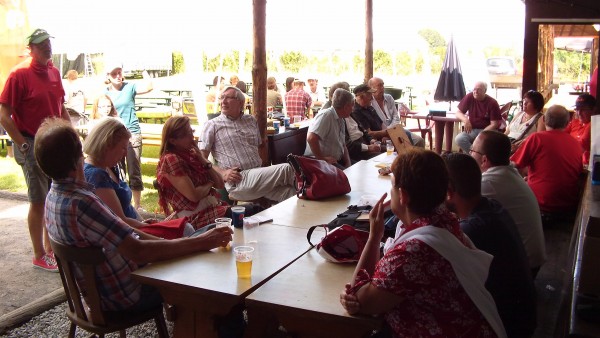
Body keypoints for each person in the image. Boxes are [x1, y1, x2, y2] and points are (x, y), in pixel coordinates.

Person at [36, 118, 233, 313]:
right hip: (127, 295)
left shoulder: (54, 196)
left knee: (200, 237)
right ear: (76, 159)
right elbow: (138, 250)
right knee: (206, 277)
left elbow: (126, 233)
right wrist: (199, 243)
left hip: (98, 294)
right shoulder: (82, 203)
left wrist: (189, 240)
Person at [340, 148, 506, 338]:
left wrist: (374, 236)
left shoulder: (414, 252)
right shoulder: (444, 219)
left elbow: (362, 302)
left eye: (392, 186)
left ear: (403, 195)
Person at [0, 28, 72, 272]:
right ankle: (39, 254)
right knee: (39, 199)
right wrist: (21, 143)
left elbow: (60, 107)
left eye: (49, 42)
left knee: (55, 195)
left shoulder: (53, 71)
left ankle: (52, 249)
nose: (47, 47)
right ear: (30, 48)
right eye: (41, 44)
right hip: (30, 141)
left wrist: (70, 133)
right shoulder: (18, 75)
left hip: (53, 142)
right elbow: (4, 114)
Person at [444, 153, 537, 337]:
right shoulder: (492, 206)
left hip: (508, 327)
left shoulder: (472, 230)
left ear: (448, 193)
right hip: (524, 315)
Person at [82, 117, 193, 236]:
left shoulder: (108, 167)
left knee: (187, 226)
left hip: (135, 226)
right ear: (107, 145)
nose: (125, 153)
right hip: (130, 235)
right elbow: (120, 222)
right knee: (186, 229)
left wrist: (144, 222)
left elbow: (127, 208)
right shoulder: (96, 176)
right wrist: (150, 227)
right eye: (123, 148)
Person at [200, 86, 296, 203]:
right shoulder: (212, 125)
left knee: (292, 194)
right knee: (286, 169)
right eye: (222, 98)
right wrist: (222, 173)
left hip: (258, 176)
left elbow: (257, 148)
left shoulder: (250, 120)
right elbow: (201, 158)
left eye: (228, 98)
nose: (223, 101)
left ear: (241, 102)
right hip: (239, 180)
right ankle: (316, 186)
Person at [471, 130, 546, 277]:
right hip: (530, 261)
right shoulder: (507, 171)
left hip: (521, 270)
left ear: (484, 160)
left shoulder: (489, 183)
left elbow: (455, 207)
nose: (470, 154)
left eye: (472, 150)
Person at [157, 116, 247, 230]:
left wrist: (202, 159)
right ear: (172, 140)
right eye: (186, 134)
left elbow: (219, 184)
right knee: (252, 212)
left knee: (253, 212)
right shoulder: (171, 159)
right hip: (195, 217)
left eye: (191, 131)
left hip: (212, 208)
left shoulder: (192, 156)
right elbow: (194, 196)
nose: (192, 137)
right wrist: (210, 183)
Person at [511, 105, 583, 219]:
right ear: (567, 122)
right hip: (569, 206)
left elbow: (514, 165)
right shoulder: (575, 143)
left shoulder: (537, 138)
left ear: (543, 120)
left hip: (540, 205)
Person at [105, 63, 153, 212]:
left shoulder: (129, 87)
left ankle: (137, 205)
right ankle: (123, 204)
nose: (118, 76)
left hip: (132, 134)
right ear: (108, 76)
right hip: (114, 135)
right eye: (114, 73)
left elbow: (149, 86)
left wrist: (143, 69)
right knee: (118, 171)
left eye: (119, 72)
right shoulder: (105, 92)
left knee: (134, 170)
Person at [368, 77, 425, 147]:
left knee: (419, 140)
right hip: (381, 134)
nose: (382, 88)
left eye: (383, 85)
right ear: (371, 88)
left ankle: (417, 158)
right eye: (379, 85)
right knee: (402, 146)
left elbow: (396, 118)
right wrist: (385, 134)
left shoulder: (389, 98)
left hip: (395, 130)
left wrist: (388, 132)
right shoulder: (369, 102)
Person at [304, 88, 352, 168]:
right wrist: (322, 159)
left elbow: (343, 145)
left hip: (335, 161)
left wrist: (348, 162)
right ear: (346, 107)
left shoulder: (341, 119)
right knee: (349, 177)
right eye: (352, 105)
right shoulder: (326, 115)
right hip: (318, 163)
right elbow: (311, 138)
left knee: (358, 169)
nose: (352, 109)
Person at [454, 81, 501, 153]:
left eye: (479, 89)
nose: (475, 91)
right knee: (459, 139)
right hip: (473, 129)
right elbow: (458, 113)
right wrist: (466, 120)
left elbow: (495, 124)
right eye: (474, 89)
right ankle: (475, 156)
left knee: (481, 141)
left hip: (488, 130)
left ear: (485, 91)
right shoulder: (469, 97)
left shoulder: (492, 103)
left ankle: (474, 157)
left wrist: (482, 134)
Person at [564, 94, 596, 165]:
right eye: (577, 109)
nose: (579, 113)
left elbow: (582, 145)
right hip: (569, 160)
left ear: (593, 110)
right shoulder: (574, 122)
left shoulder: (593, 124)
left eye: (583, 110)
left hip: (582, 165)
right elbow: (560, 137)